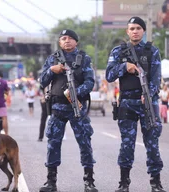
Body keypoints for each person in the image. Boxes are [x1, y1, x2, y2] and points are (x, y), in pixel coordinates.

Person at [106, 17, 165, 192]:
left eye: (138, 28)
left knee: (152, 144)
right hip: (127, 103)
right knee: (127, 144)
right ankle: (124, 183)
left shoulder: (152, 51)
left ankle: (156, 183)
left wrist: (149, 94)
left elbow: (155, 77)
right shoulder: (118, 51)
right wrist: (124, 67)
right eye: (132, 28)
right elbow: (109, 75)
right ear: (127, 31)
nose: (135, 31)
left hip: (148, 102)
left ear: (143, 31)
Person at [39, 29, 97, 192]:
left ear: (76, 42)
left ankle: (89, 180)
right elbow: (42, 81)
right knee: (53, 144)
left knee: (85, 142)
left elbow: (90, 82)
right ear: (59, 42)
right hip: (57, 107)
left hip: (77, 107)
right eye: (63, 38)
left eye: (70, 38)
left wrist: (75, 93)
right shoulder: (52, 59)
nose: (67, 41)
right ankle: (51, 181)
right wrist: (52, 70)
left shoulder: (84, 59)